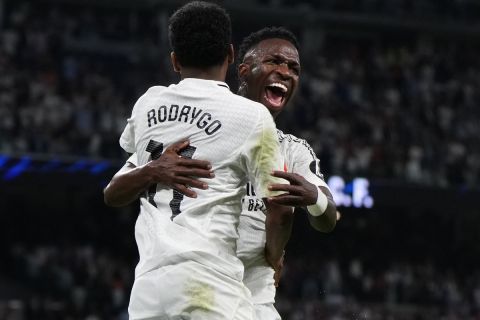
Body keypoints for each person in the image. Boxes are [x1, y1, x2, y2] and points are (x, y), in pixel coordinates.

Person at [104, 26, 336, 319]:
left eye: (293, 68)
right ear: (242, 70)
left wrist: (315, 197)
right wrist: (151, 170)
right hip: (198, 281)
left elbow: (329, 217)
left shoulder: (294, 150)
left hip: (250, 299)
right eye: (274, 61)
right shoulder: (189, 127)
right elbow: (113, 191)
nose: (285, 72)